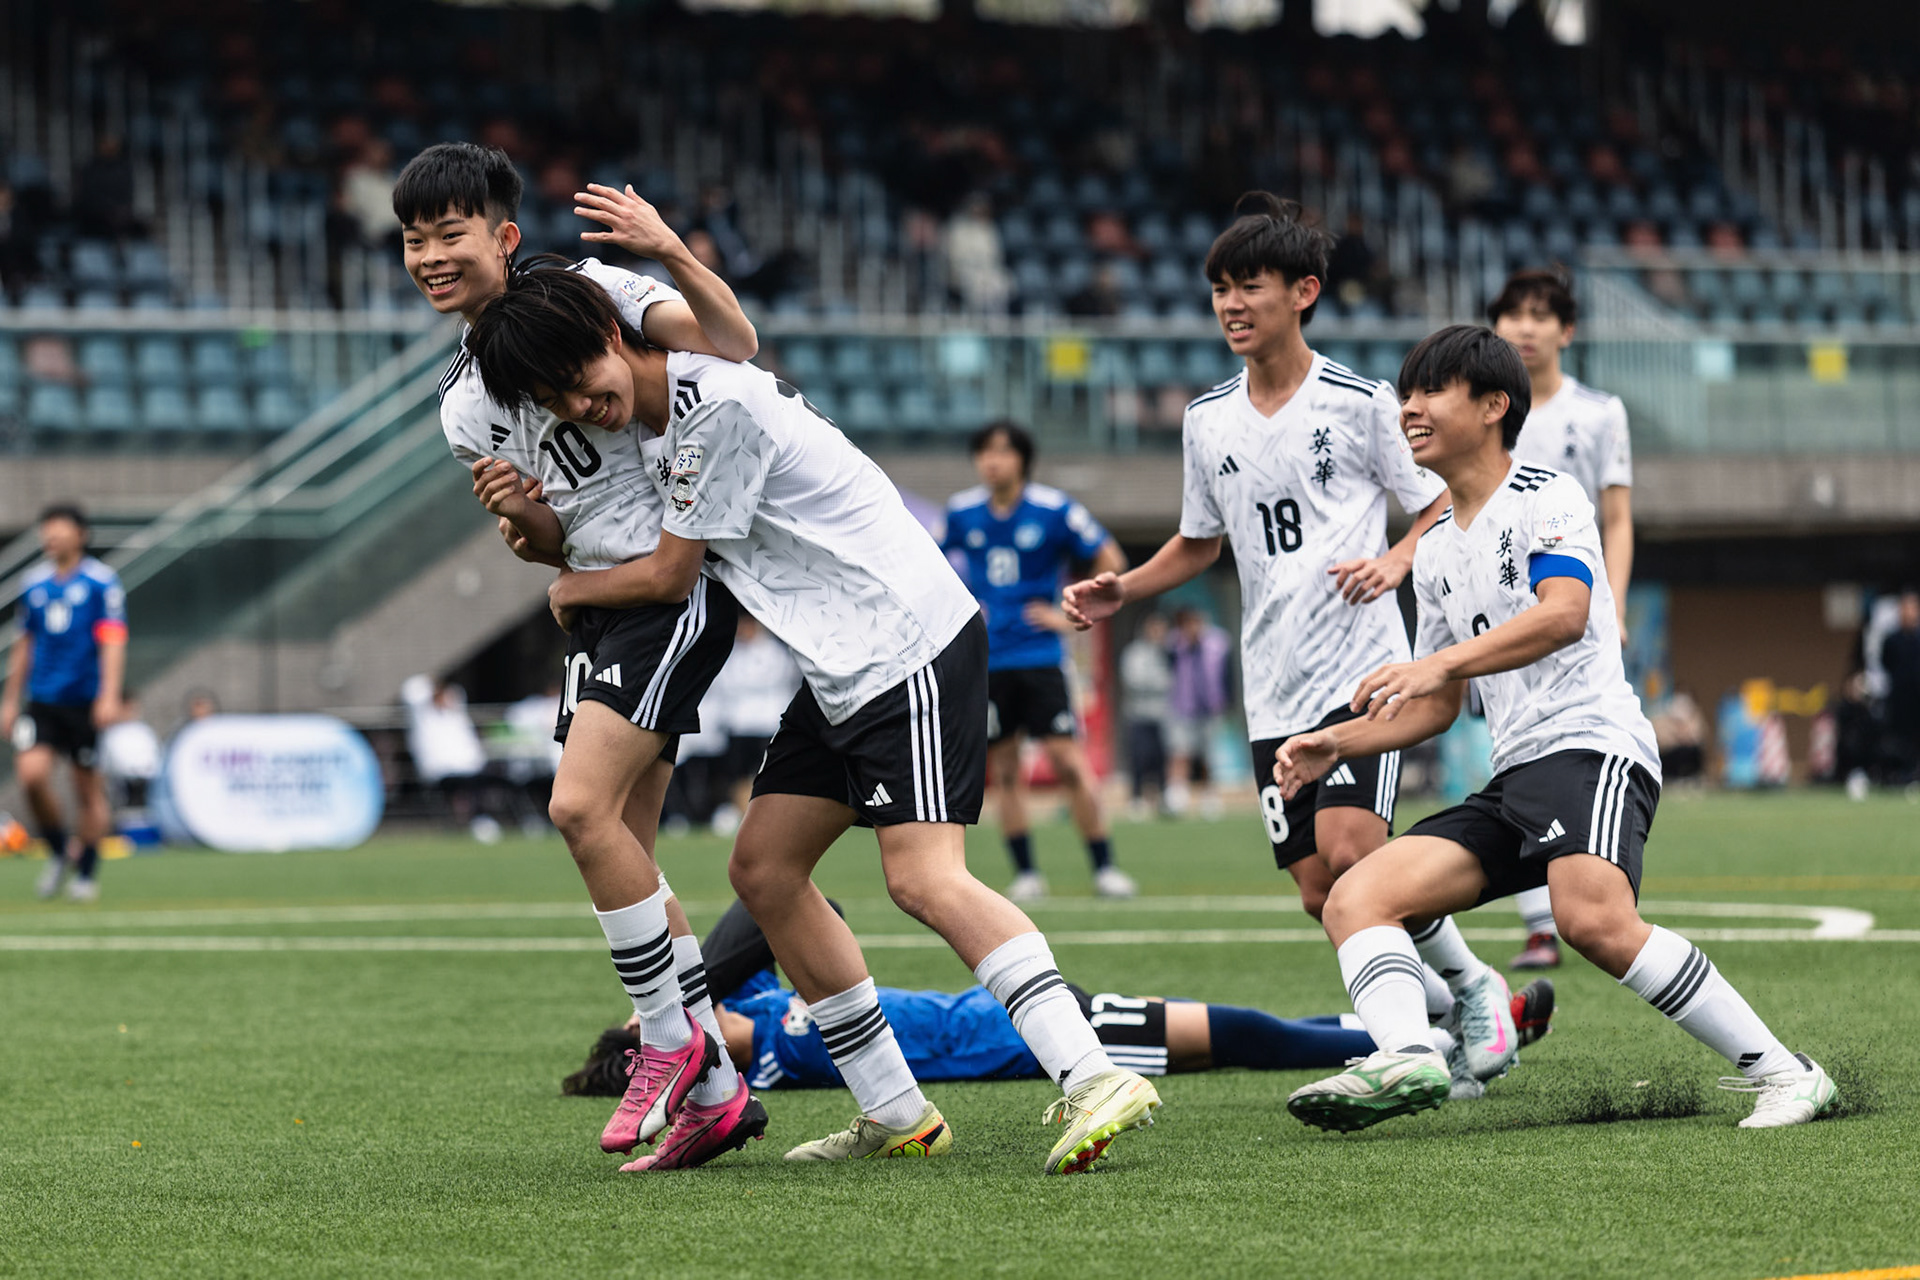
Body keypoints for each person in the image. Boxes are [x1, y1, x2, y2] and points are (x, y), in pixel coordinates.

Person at [466, 263, 1163, 1176]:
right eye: (553, 399)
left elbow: (668, 574)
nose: (577, 404)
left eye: (578, 378)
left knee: (923, 879)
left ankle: (1092, 1073)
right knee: (764, 869)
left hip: (903, 642)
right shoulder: (651, 417)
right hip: (841, 664)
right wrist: (533, 521)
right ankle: (895, 1110)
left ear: (613, 333)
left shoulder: (711, 406)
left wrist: (568, 586)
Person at [1274, 324, 1836, 1132]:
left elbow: (1566, 616)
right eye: (1407, 393)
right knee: (1355, 897)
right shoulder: (1431, 548)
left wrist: (1436, 666)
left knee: (1591, 921)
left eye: (1431, 391)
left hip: (1593, 747)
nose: (1410, 410)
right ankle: (1407, 1053)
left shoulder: (1549, 495)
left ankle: (1786, 1072)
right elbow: (1436, 705)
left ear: (1494, 405)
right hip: (1515, 777)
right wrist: (1339, 742)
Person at [1061, 194, 1502, 1098]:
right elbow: (1199, 541)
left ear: (1302, 292)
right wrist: (1125, 589)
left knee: (1351, 858)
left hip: (1361, 667)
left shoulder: (1360, 401)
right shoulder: (1207, 419)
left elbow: (1439, 493)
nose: (1230, 303)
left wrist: (1397, 559)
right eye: (1219, 288)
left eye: (1248, 286)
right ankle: (1454, 1000)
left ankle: (1460, 997)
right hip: (1272, 681)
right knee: (1318, 893)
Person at [397, 140, 764, 1172]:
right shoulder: (463, 405)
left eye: (449, 234)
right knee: (621, 850)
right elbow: (552, 541)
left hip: (670, 584)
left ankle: (668, 1037)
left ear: (504, 236)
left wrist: (671, 251)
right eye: (414, 240)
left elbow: (731, 343)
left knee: (574, 806)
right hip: (603, 605)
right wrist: (525, 526)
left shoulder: (595, 290)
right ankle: (724, 1092)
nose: (430, 255)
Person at [565, 901, 1557, 1097]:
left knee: (1239, 1029)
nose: (676, 1024)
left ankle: (1444, 1032)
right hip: (1041, 1041)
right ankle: (1451, 1034)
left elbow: (762, 904)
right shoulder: (789, 1054)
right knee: (1243, 1037)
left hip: (1032, 1006)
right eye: (658, 1030)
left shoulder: (759, 998)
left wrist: (685, 987)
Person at [1490, 267, 1636, 970]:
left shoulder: (1600, 413)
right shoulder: (1480, 412)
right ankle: (1539, 924)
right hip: (1500, 610)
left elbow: (1617, 517)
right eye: (1511, 314)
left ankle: (1594, 883)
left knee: (1578, 743)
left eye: (1540, 314)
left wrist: (1616, 602)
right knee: (1510, 750)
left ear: (1567, 331)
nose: (1524, 327)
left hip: (1572, 605)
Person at [942, 421, 1134, 900]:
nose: (992, 461)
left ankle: (1104, 868)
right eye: (984, 451)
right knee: (1004, 771)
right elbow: (927, 562)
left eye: (1002, 452)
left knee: (1068, 762)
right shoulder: (961, 513)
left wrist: (1072, 610)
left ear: (1022, 459)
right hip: (989, 661)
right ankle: (1027, 873)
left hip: (1042, 657)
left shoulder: (1054, 510)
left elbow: (1112, 557)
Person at [2, 504, 126, 903]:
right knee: (32, 776)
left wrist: (108, 694)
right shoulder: (34, 583)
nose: (50, 538)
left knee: (86, 790)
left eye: (58, 530)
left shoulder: (101, 582)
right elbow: (24, 645)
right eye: (46, 531)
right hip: (42, 701)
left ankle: (86, 871)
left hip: (84, 702)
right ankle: (58, 851)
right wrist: (9, 701)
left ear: (80, 535)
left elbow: (112, 639)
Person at [706, 616, 802, 832]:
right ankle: (746, 816)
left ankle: (773, 817)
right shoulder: (733, 653)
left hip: (767, 721)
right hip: (739, 722)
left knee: (768, 773)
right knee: (739, 774)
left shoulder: (774, 652)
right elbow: (725, 684)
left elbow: (780, 680)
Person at [1163, 607, 1231, 817]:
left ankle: (1209, 796)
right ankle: (1176, 797)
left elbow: (1228, 675)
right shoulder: (1175, 645)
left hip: (1211, 708)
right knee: (1179, 752)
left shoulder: (1218, 643)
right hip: (1182, 708)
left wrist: (1228, 703)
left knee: (1208, 756)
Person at [1118, 613, 1173, 818]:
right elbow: (1134, 680)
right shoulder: (1134, 653)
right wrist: (1160, 682)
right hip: (1138, 715)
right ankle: (1136, 799)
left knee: (1161, 759)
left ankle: (1163, 800)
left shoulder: (1166, 651)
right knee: (1139, 757)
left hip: (1162, 716)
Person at [1879, 589, 1920, 785]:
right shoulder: (1892, 639)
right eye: (1904, 607)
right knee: (1899, 739)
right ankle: (1902, 773)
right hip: (1900, 698)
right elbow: (1885, 663)